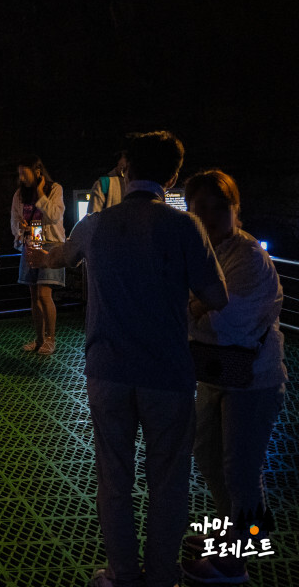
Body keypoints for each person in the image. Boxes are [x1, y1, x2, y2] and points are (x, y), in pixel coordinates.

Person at [28, 131, 228, 587]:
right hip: (169, 375)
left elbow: (52, 255)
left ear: (125, 168)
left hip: (108, 372)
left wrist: (37, 249)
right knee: (170, 481)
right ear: (173, 175)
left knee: (114, 481)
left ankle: (122, 575)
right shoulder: (186, 227)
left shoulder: (95, 226)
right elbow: (216, 295)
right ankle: (162, 576)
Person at [181, 170, 288, 585]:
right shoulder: (207, 252)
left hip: (254, 379)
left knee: (240, 468)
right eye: (199, 208)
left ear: (234, 208)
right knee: (208, 455)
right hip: (215, 372)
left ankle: (237, 560)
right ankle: (235, 531)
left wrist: (195, 308)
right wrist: (200, 307)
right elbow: (207, 312)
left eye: (217, 207)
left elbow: (231, 321)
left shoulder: (248, 258)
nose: (208, 215)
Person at [10, 156, 66, 355]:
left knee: (44, 294)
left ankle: (51, 338)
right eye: (19, 174)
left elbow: (55, 216)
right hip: (31, 243)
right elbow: (14, 220)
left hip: (50, 244)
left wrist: (41, 194)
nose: (21, 178)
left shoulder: (54, 189)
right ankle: (39, 339)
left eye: (24, 173)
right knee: (34, 295)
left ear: (37, 172)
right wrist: (20, 228)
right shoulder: (19, 194)